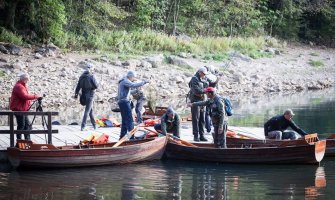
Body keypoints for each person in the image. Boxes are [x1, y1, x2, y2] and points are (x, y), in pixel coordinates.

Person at [117, 71, 149, 139]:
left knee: (124, 120)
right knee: (130, 120)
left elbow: (128, 92)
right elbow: (133, 85)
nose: (134, 79)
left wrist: (136, 91)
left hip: (121, 102)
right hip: (125, 102)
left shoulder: (123, 81)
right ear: (131, 76)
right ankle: (132, 138)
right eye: (134, 77)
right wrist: (144, 82)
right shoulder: (126, 80)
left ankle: (122, 136)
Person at [10, 73, 41, 141]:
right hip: (19, 109)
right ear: (24, 79)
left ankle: (27, 140)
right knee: (22, 125)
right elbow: (24, 96)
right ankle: (19, 141)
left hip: (22, 109)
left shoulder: (22, 86)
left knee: (27, 125)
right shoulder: (19, 86)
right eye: (27, 79)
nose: (28, 81)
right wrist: (36, 96)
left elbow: (25, 96)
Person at [74, 62, 99, 131]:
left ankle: (94, 125)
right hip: (90, 95)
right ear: (91, 69)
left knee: (90, 110)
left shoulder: (81, 76)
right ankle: (83, 126)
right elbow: (96, 86)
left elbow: (78, 86)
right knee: (87, 111)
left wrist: (76, 94)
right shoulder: (91, 76)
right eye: (93, 68)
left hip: (84, 95)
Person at [189, 66, 209, 141]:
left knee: (202, 119)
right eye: (203, 74)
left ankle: (202, 135)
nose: (204, 75)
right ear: (199, 72)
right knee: (196, 119)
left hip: (203, 101)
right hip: (195, 101)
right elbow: (196, 90)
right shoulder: (194, 79)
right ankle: (196, 136)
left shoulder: (204, 78)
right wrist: (205, 90)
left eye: (205, 74)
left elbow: (209, 85)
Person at [204, 65, 219, 134]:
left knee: (207, 113)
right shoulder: (215, 77)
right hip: (215, 97)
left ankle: (208, 128)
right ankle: (212, 126)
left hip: (208, 97)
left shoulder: (206, 77)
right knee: (213, 112)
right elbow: (217, 88)